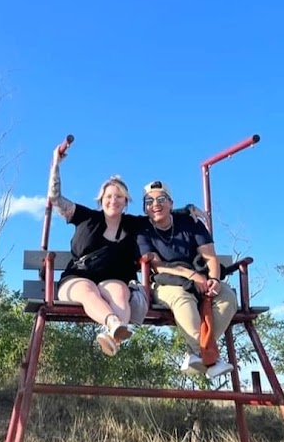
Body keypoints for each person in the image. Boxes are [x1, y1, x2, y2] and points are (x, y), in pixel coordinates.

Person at [48, 147, 202, 356]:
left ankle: (113, 339)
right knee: (88, 290)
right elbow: (55, 199)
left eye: (119, 196)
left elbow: (159, 213)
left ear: (126, 201)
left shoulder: (133, 225)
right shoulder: (86, 217)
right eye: (109, 196)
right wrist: (56, 164)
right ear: (101, 199)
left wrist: (187, 210)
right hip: (77, 278)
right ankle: (113, 324)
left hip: (113, 280)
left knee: (120, 292)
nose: (114, 200)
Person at [136, 180, 237, 379]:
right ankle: (210, 357)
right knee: (182, 299)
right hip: (167, 282)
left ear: (171, 203)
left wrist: (214, 280)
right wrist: (192, 275)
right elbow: (158, 266)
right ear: (145, 208)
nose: (155, 204)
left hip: (201, 277)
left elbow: (210, 257)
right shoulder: (142, 230)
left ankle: (197, 354)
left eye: (161, 199)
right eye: (149, 201)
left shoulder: (190, 222)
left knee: (227, 297)